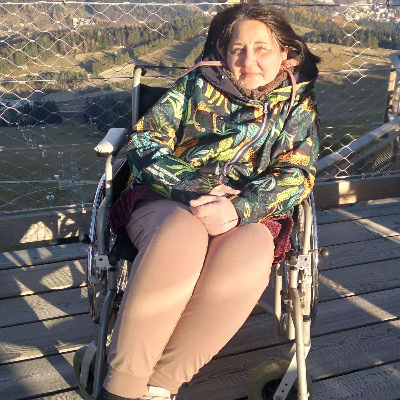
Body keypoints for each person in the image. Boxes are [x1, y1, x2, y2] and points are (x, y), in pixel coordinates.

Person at [97, 3, 320, 400]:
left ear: (286, 53)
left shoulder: (296, 106)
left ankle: (159, 387)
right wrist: (198, 189)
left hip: (246, 211)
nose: (248, 61)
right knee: (179, 237)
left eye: (262, 49)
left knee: (250, 255)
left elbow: (297, 173)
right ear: (223, 51)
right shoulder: (194, 85)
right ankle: (122, 389)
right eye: (238, 49)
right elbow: (145, 142)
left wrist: (238, 208)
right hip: (169, 197)